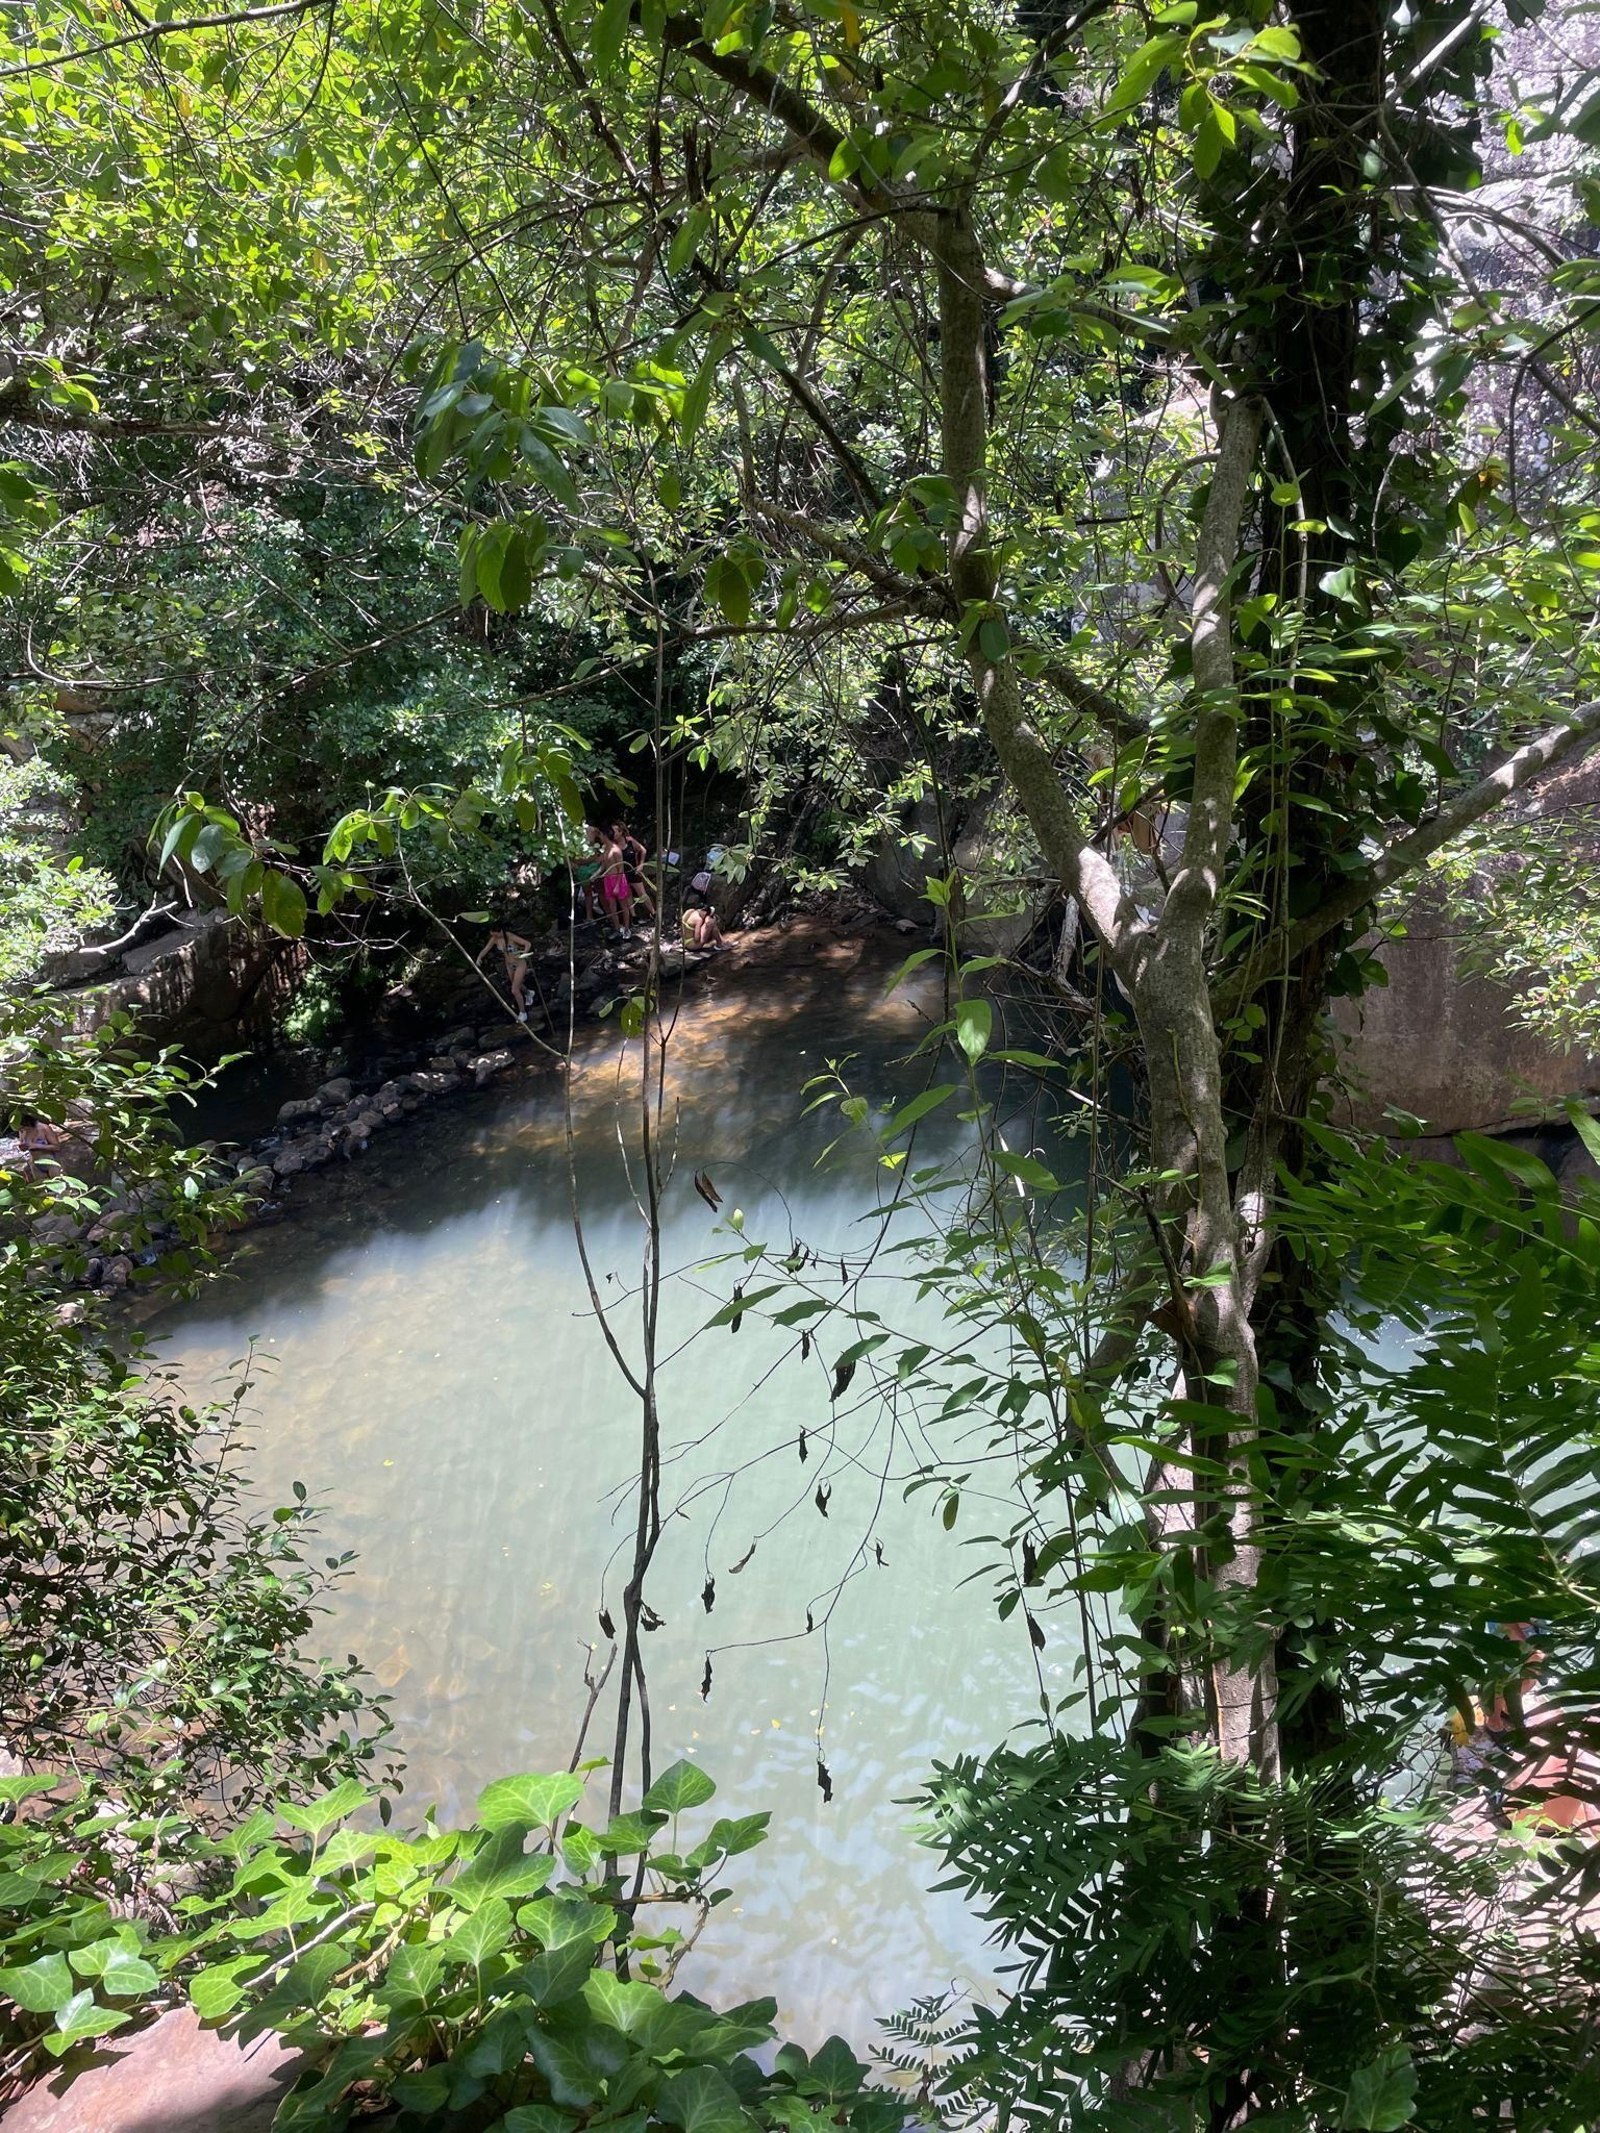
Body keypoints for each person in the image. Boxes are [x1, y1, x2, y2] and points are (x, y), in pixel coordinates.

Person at [475, 919, 532, 1021]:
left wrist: (523, 953)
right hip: (509, 965)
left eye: (496, 935)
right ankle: (529, 993)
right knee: (516, 983)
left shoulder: (511, 936)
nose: (494, 937)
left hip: (519, 964)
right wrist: (479, 957)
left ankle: (523, 1012)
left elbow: (527, 944)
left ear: (501, 931)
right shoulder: (494, 938)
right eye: (493, 935)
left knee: (514, 990)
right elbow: (485, 949)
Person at [608, 820, 656, 921]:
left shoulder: (629, 840)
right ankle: (634, 917)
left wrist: (641, 864)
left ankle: (653, 913)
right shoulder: (613, 845)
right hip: (621, 874)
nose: (613, 834)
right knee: (627, 895)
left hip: (633, 871)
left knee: (642, 893)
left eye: (615, 831)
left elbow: (642, 850)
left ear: (621, 832)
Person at [598, 835, 633, 940]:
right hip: (607, 879)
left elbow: (620, 869)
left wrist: (617, 885)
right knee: (612, 907)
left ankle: (627, 928)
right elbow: (604, 866)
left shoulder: (616, 850)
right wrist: (596, 874)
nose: (599, 837)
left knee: (623, 906)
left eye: (600, 834)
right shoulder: (605, 849)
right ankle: (617, 929)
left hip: (618, 879)